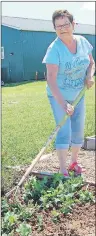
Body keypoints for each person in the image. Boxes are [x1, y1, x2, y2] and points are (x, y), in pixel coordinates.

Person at [42, 10, 95, 177]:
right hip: (59, 96)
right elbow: (50, 79)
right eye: (58, 26)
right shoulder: (54, 49)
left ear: (73, 24)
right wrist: (64, 104)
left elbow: (91, 63)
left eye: (66, 24)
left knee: (78, 130)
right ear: (55, 29)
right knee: (64, 130)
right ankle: (63, 170)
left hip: (78, 94)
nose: (62, 29)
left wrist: (89, 76)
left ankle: (74, 163)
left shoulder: (83, 42)